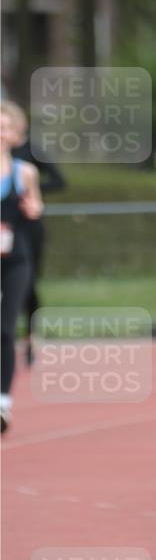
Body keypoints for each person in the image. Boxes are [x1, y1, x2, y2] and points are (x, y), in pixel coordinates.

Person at [1, 101, 43, 432]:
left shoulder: (24, 172)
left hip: (16, 258)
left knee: (5, 329)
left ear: (16, 134)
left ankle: (3, 403)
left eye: (5, 128)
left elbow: (36, 207)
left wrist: (31, 207)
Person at [12, 107, 66, 364]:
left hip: (28, 227)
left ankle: (30, 336)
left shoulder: (32, 152)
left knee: (28, 282)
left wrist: (27, 191)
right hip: (4, 225)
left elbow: (59, 181)